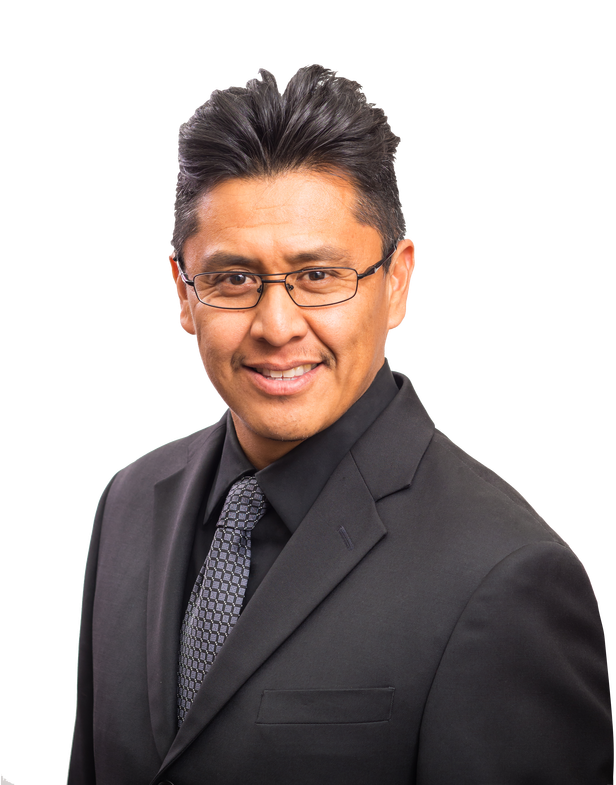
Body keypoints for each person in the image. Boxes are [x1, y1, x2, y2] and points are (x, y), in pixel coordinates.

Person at [67, 65, 612, 785]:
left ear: (398, 281)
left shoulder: (507, 574)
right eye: (234, 279)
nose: (276, 325)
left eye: (318, 276)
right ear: (183, 293)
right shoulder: (130, 502)